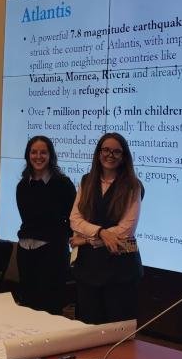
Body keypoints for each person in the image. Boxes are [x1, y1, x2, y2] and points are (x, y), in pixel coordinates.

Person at [69, 133, 143, 324]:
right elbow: (75, 220)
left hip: (120, 269)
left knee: (117, 329)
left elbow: (126, 230)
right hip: (88, 267)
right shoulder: (86, 181)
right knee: (88, 327)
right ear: (98, 153)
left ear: (124, 156)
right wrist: (101, 233)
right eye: (106, 150)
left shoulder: (133, 186)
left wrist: (85, 239)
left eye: (117, 151)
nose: (110, 155)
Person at [15, 136, 77, 315]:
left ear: (51, 155)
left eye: (43, 152)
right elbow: (27, 219)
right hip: (25, 251)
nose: (38, 156)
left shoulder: (63, 184)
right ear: (28, 155)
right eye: (34, 152)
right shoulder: (22, 185)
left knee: (50, 306)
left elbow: (72, 219)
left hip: (52, 253)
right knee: (27, 306)